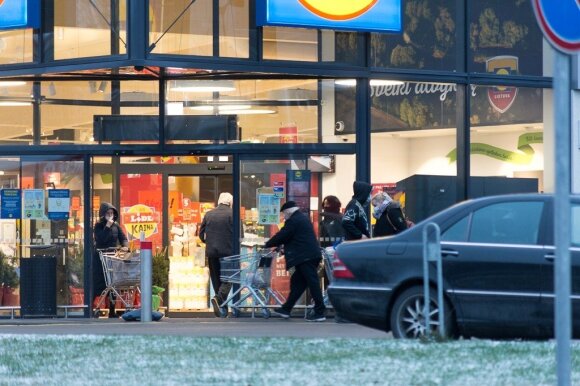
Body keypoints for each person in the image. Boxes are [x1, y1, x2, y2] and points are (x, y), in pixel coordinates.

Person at [266, 201, 326, 322]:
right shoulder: (300, 218)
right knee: (298, 283)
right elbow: (293, 237)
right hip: (306, 255)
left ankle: (320, 311)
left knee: (311, 282)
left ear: (288, 212)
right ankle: (286, 309)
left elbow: (283, 234)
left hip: (305, 257)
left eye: (283, 213)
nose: (283, 216)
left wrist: (268, 244)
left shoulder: (294, 220)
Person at [199, 192, 234, 318]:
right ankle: (219, 299)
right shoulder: (233, 214)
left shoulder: (208, 214)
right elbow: (240, 236)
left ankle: (222, 309)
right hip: (228, 252)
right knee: (229, 278)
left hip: (212, 252)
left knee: (216, 279)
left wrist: (208, 242)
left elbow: (201, 234)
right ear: (230, 202)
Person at [93, 202, 129, 318]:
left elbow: (123, 238)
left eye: (112, 213)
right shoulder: (98, 226)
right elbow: (101, 239)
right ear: (103, 214)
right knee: (99, 283)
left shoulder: (116, 226)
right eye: (108, 213)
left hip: (112, 258)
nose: (110, 215)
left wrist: (125, 246)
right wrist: (107, 226)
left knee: (113, 282)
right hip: (100, 259)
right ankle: (92, 307)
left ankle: (112, 309)